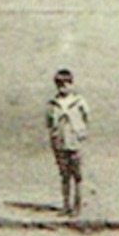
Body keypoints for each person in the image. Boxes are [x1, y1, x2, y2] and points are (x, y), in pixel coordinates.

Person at [45, 68, 90, 217]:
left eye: (66, 83)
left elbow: (86, 118)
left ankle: (77, 206)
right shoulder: (53, 103)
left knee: (77, 175)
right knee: (64, 175)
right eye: (59, 84)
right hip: (60, 142)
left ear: (71, 84)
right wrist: (54, 135)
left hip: (75, 142)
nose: (63, 87)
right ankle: (66, 205)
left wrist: (80, 132)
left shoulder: (79, 101)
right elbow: (49, 122)